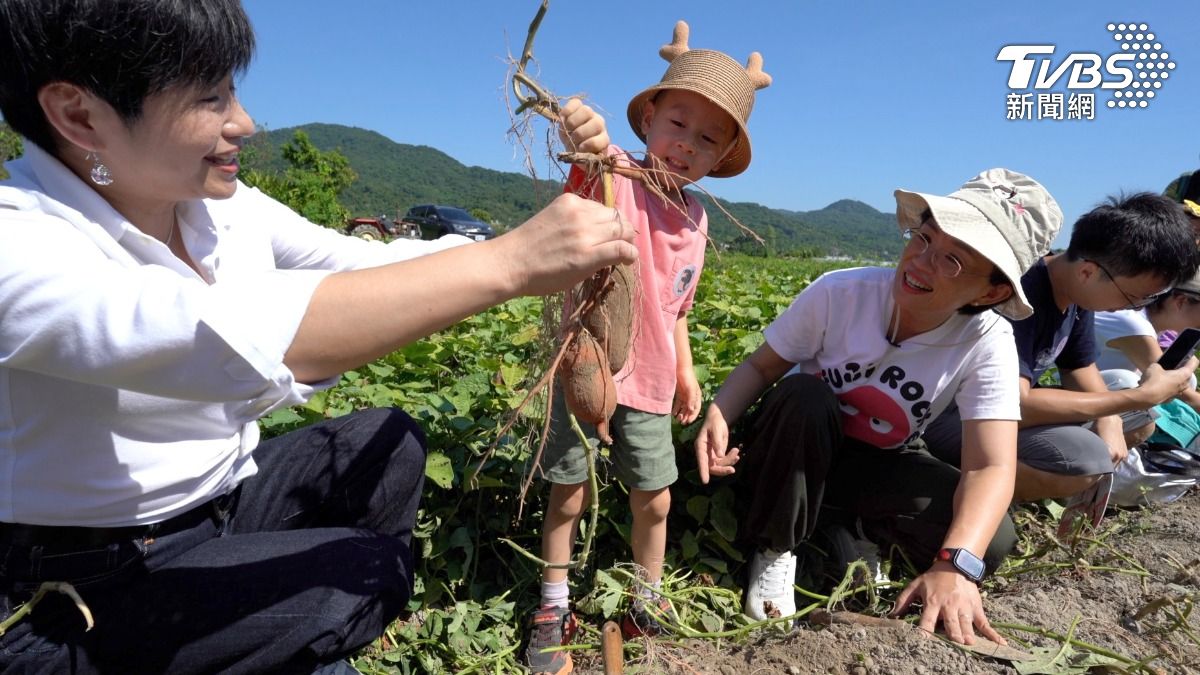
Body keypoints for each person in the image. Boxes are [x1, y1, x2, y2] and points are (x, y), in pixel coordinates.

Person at [0, 1, 636, 673]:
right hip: (73, 591)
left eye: (233, 89)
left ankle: (283, 642)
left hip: (217, 509)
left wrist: (555, 211)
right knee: (359, 578)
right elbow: (224, 335)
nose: (241, 122)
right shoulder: (21, 245)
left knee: (385, 448)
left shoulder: (218, 207)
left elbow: (363, 264)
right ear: (79, 115)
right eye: (209, 98)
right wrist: (510, 264)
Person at [695, 168, 1061, 646]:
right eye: (924, 238)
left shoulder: (987, 340)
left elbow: (991, 465)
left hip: (876, 461)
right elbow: (762, 368)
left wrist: (955, 565)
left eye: (952, 260)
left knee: (990, 542)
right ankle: (777, 546)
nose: (921, 261)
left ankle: (840, 525)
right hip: (793, 449)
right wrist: (718, 415)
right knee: (807, 396)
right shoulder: (841, 293)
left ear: (991, 292)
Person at [523, 20, 771, 674]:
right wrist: (583, 142)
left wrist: (687, 375)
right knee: (568, 491)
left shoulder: (697, 218)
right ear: (649, 118)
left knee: (654, 496)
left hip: (654, 382)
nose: (687, 145)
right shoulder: (613, 176)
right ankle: (552, 604)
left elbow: (677, 306)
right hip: (589, 367)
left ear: (720, 159)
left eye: (708, 140)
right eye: (679, 124)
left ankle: (647, 598)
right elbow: (581, 179)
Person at [923, 193, 1200, 504]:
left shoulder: (1077, 295)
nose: (1134, 307)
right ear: (1088, 272)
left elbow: (1079, 368)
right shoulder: (1023, 293)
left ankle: (1018, 482)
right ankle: (957, 494)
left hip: (998, 410)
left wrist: (1110, 419)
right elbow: (1011, 402)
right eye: (1134, 297)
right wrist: (1139, 396)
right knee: (1084, 461)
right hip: (948, 413)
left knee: (1138, 419)